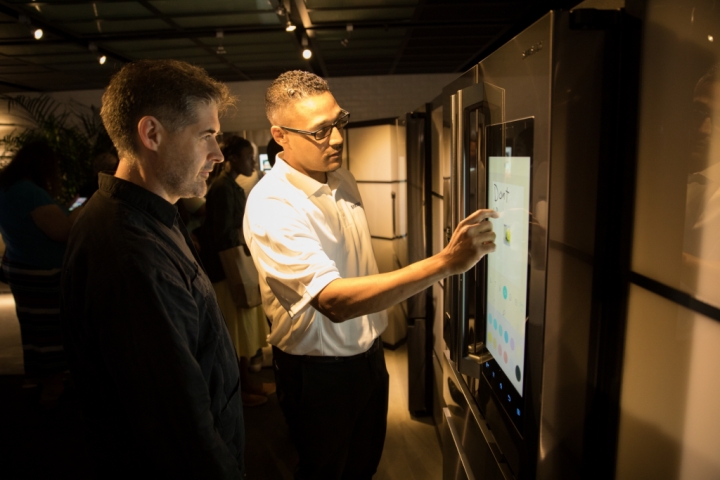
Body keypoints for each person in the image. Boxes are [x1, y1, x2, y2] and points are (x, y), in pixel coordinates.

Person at [243, 70, 497, 479]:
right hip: (318, 371)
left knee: (363, 465)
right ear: (280, 135)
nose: (337, 138)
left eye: (339, 122)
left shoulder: (341, 176)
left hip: (368, 357)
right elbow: (334, 302)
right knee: (324, 471)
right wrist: (445, 262)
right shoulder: (273, 204)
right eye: (319, 131)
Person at [60, 59, 245, 479]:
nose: (218, 154)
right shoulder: (132, 256)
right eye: (206, 136)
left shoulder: (147, 215)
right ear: (152, 134)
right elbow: (178, 425)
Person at [0, 139, 81, 405]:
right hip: (41, 273)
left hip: (21, 267)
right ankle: (53, 387)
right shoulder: (29, 192)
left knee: (35, 330)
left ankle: (45, 382)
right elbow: (62, 231)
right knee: (50, 331)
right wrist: (80, 211)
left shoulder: (9, 188)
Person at [197, 135, 274, 407]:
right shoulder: (223, 188)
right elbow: (222, 234)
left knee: (241, 330)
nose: (253, 162)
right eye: (248, 157)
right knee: (235, 331)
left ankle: (246, 383)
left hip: (230, 267)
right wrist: (249, 235)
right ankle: (239, 389)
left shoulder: (228, 186)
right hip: (227, 270)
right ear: (232, 159)